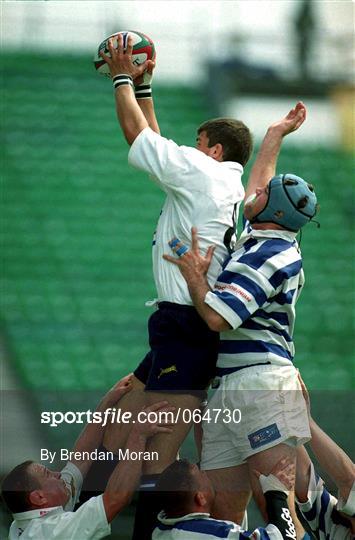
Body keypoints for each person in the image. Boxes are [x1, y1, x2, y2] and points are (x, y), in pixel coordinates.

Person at [96, 32, 253, 538]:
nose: (190, 148)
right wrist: (145, 89)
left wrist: (123, 75)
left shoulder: (203, 175)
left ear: (214, 148)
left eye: (198, 142)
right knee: (118, 421)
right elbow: (161, 148)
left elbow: (141, 141)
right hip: (178, 326)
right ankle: (81, 506)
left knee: (153, 450)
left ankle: (140, 530)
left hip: (185, 326)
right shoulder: (224, 181)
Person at [164, 153, 318, 524]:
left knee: (277, 511)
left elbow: (217, 317)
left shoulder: (270, 254)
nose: (256, 191)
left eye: (266, 192)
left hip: (261, 383)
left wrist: (193, 276)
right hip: (230, 386)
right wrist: (275, 137)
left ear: (275, 210)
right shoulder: (260, 237)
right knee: (221, 515)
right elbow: (257, 190)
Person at [1, 374, 173, 539]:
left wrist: (106, 402)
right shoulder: (51, 532)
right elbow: (116, 498)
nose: (58, 473)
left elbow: (80, 458)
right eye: (48, 474)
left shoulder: (32, 517)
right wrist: (139, 435)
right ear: (39, 497)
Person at [152, 458, 297, 539]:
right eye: (203, 475)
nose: (207, 475)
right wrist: (276, 493)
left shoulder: (160, 531)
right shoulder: (212, 534)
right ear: (200, 497)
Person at [295, 374, 355, 539]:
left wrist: (305, 421)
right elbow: (304, 480)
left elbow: (349, 481)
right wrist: (287, 420)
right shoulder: (339, 530)